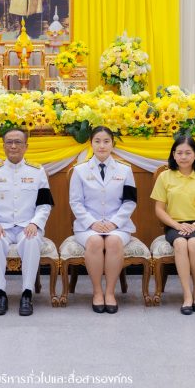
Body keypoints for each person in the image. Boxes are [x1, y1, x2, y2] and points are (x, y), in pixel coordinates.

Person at [0, 128, 53, 316]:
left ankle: (27, 293)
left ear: (26, 146)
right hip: (1, 227)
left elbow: (44, 205)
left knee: (32, 240)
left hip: (27, 226)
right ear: (3, 146)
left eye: (18, 142)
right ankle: (0, 293)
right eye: (9, 142)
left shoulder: (37, 171)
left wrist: (35, 223)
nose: (13, 146)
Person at [151, 136, 195, 315]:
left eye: (188, 153)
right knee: (180, 243)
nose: (183, 157)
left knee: (194, 243)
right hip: (174, 225)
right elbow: (159, 209)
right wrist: (177, 226)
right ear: (173, 155)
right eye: (179, 153)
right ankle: (187, 295)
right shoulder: (165, 176)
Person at [68, 126, 137, 314]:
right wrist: (92, 223)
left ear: (113, 144)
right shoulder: (80, 170)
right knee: (95, 241)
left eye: (106, 141)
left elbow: (130, 201)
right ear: (91, 144)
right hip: (87, 226)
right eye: (97, 141)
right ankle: (97, 292)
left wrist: (114, 223)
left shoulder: (125, 170)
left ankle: (110, 293)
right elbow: (75, 202)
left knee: (113, 241)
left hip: (118, 225)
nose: (102, 146)